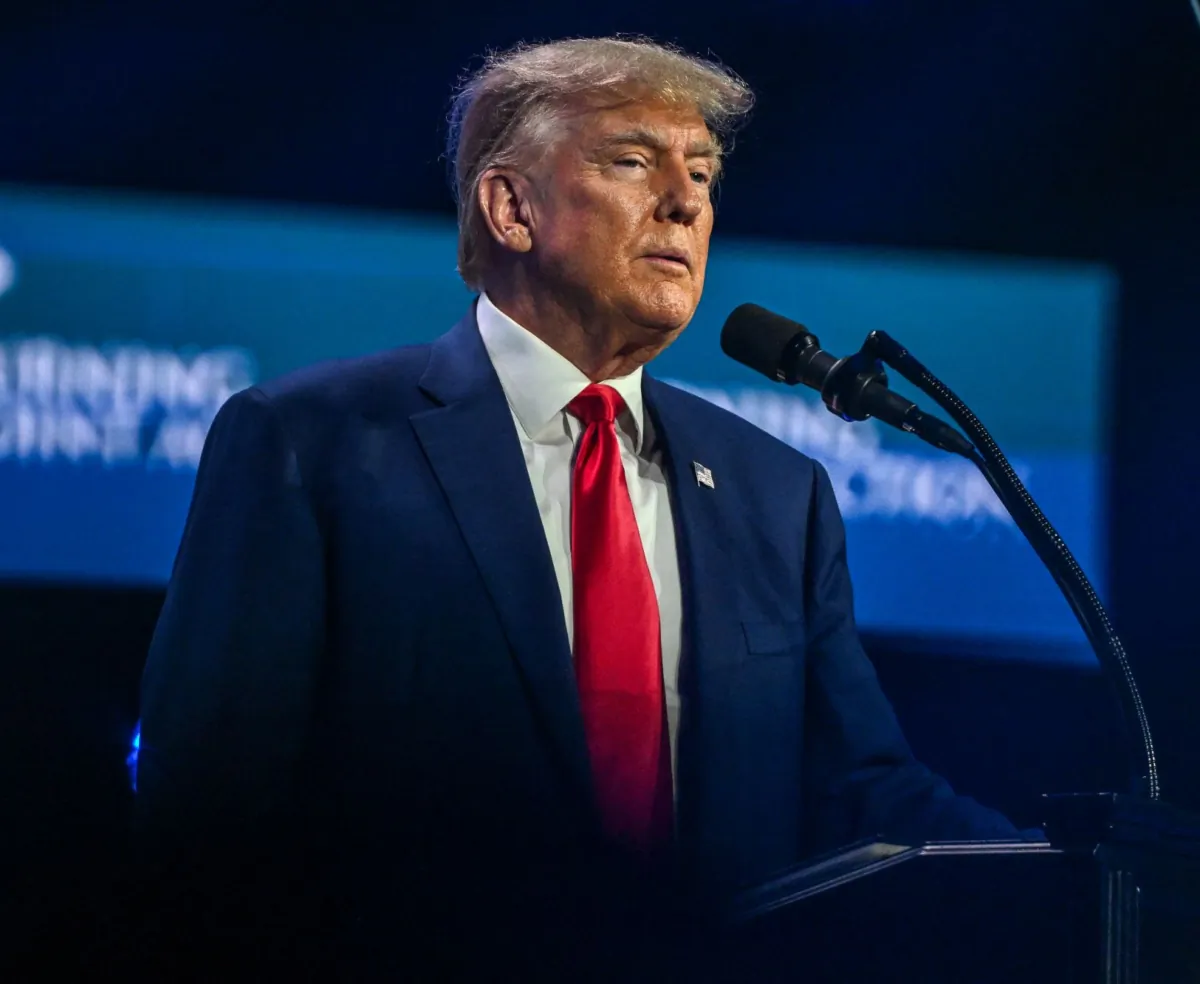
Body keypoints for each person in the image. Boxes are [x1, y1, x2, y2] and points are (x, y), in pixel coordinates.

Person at [135, 36, 1030, 980]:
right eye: (635, 162)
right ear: (511, 206)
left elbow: (862, 789)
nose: (686, 202)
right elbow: (208, 809)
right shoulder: (310, 444)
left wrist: (1067, 871)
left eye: (703, 173)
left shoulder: (777, 493)